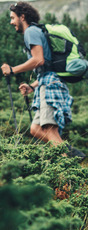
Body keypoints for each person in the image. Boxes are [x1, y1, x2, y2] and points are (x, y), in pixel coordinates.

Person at [2, 2, 80, 157]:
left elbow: (38, 60)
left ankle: (67, 168)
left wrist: (12, 70)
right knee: (35, 129)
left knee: (50, 130)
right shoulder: (36, 32)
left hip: (50, 85)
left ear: (22, 17)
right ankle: (69, 154)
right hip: (48, 81)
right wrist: (32, 86)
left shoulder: (30, 31)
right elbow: (47, 67)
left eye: (13, 18)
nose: (11, 22)